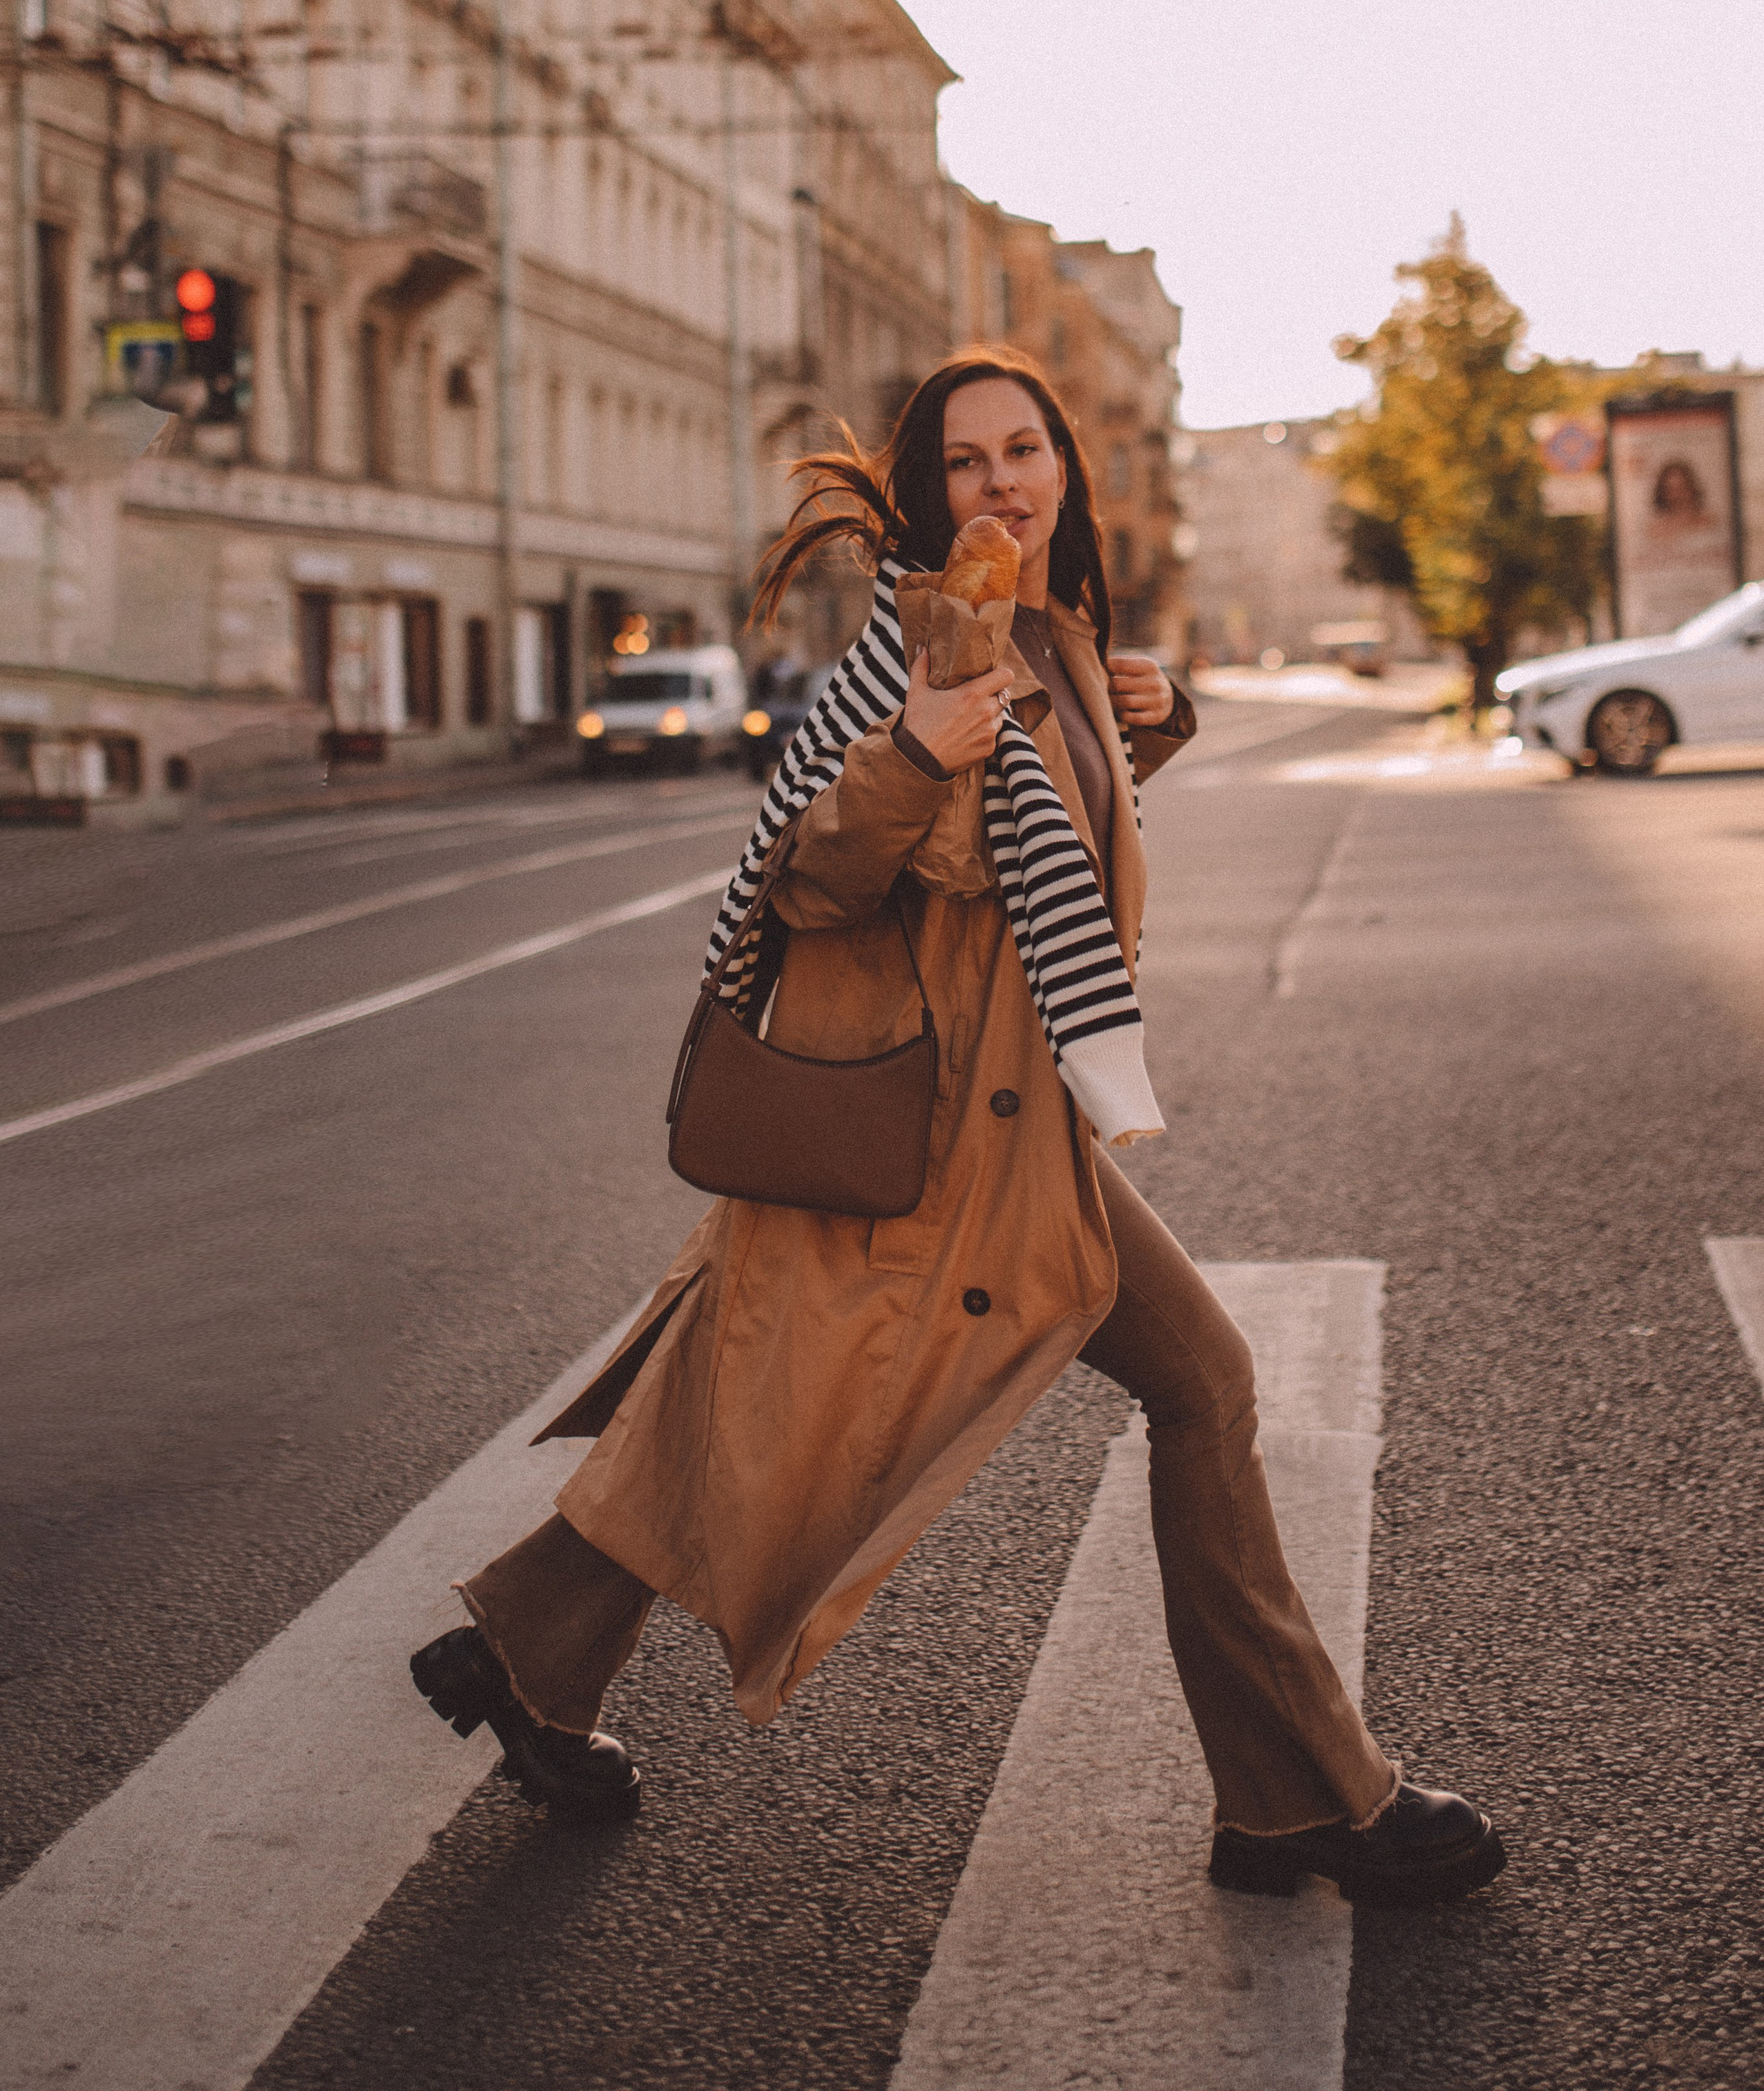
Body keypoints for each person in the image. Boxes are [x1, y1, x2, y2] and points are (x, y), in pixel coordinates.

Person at [411, 348, 1504, 1909]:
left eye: (1023, 449)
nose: (1000, 481)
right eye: (965, 463)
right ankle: (1311, 1796)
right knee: (1187, 1386)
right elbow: (814, 869)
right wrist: (918, 745)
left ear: (1065, 466)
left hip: (982, 1117)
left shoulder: (1045, 634)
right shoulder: (929, 639)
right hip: (944, 1132)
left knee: (737, 1386)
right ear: (926, 499)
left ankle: (523, 1652)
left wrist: (1154, 724)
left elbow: (1036, 836)